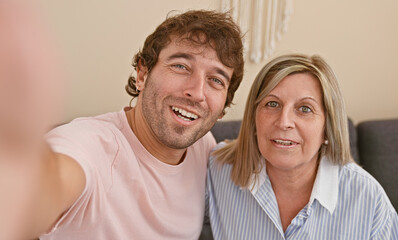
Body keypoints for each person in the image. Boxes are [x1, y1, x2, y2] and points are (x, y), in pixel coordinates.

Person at [0, 5, 244, 240]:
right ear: (142, 75)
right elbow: (41, 190)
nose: (197, 92)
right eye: (180, 66)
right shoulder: (90, 147)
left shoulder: (203, 147)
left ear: (222, 109)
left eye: (216, 80)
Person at [207, 54, 398, 239]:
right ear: (253, 118)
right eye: (272, 104)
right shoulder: (218, 169)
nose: (284, 122)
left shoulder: (369, 199)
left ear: (328, 128)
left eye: (305, 109)